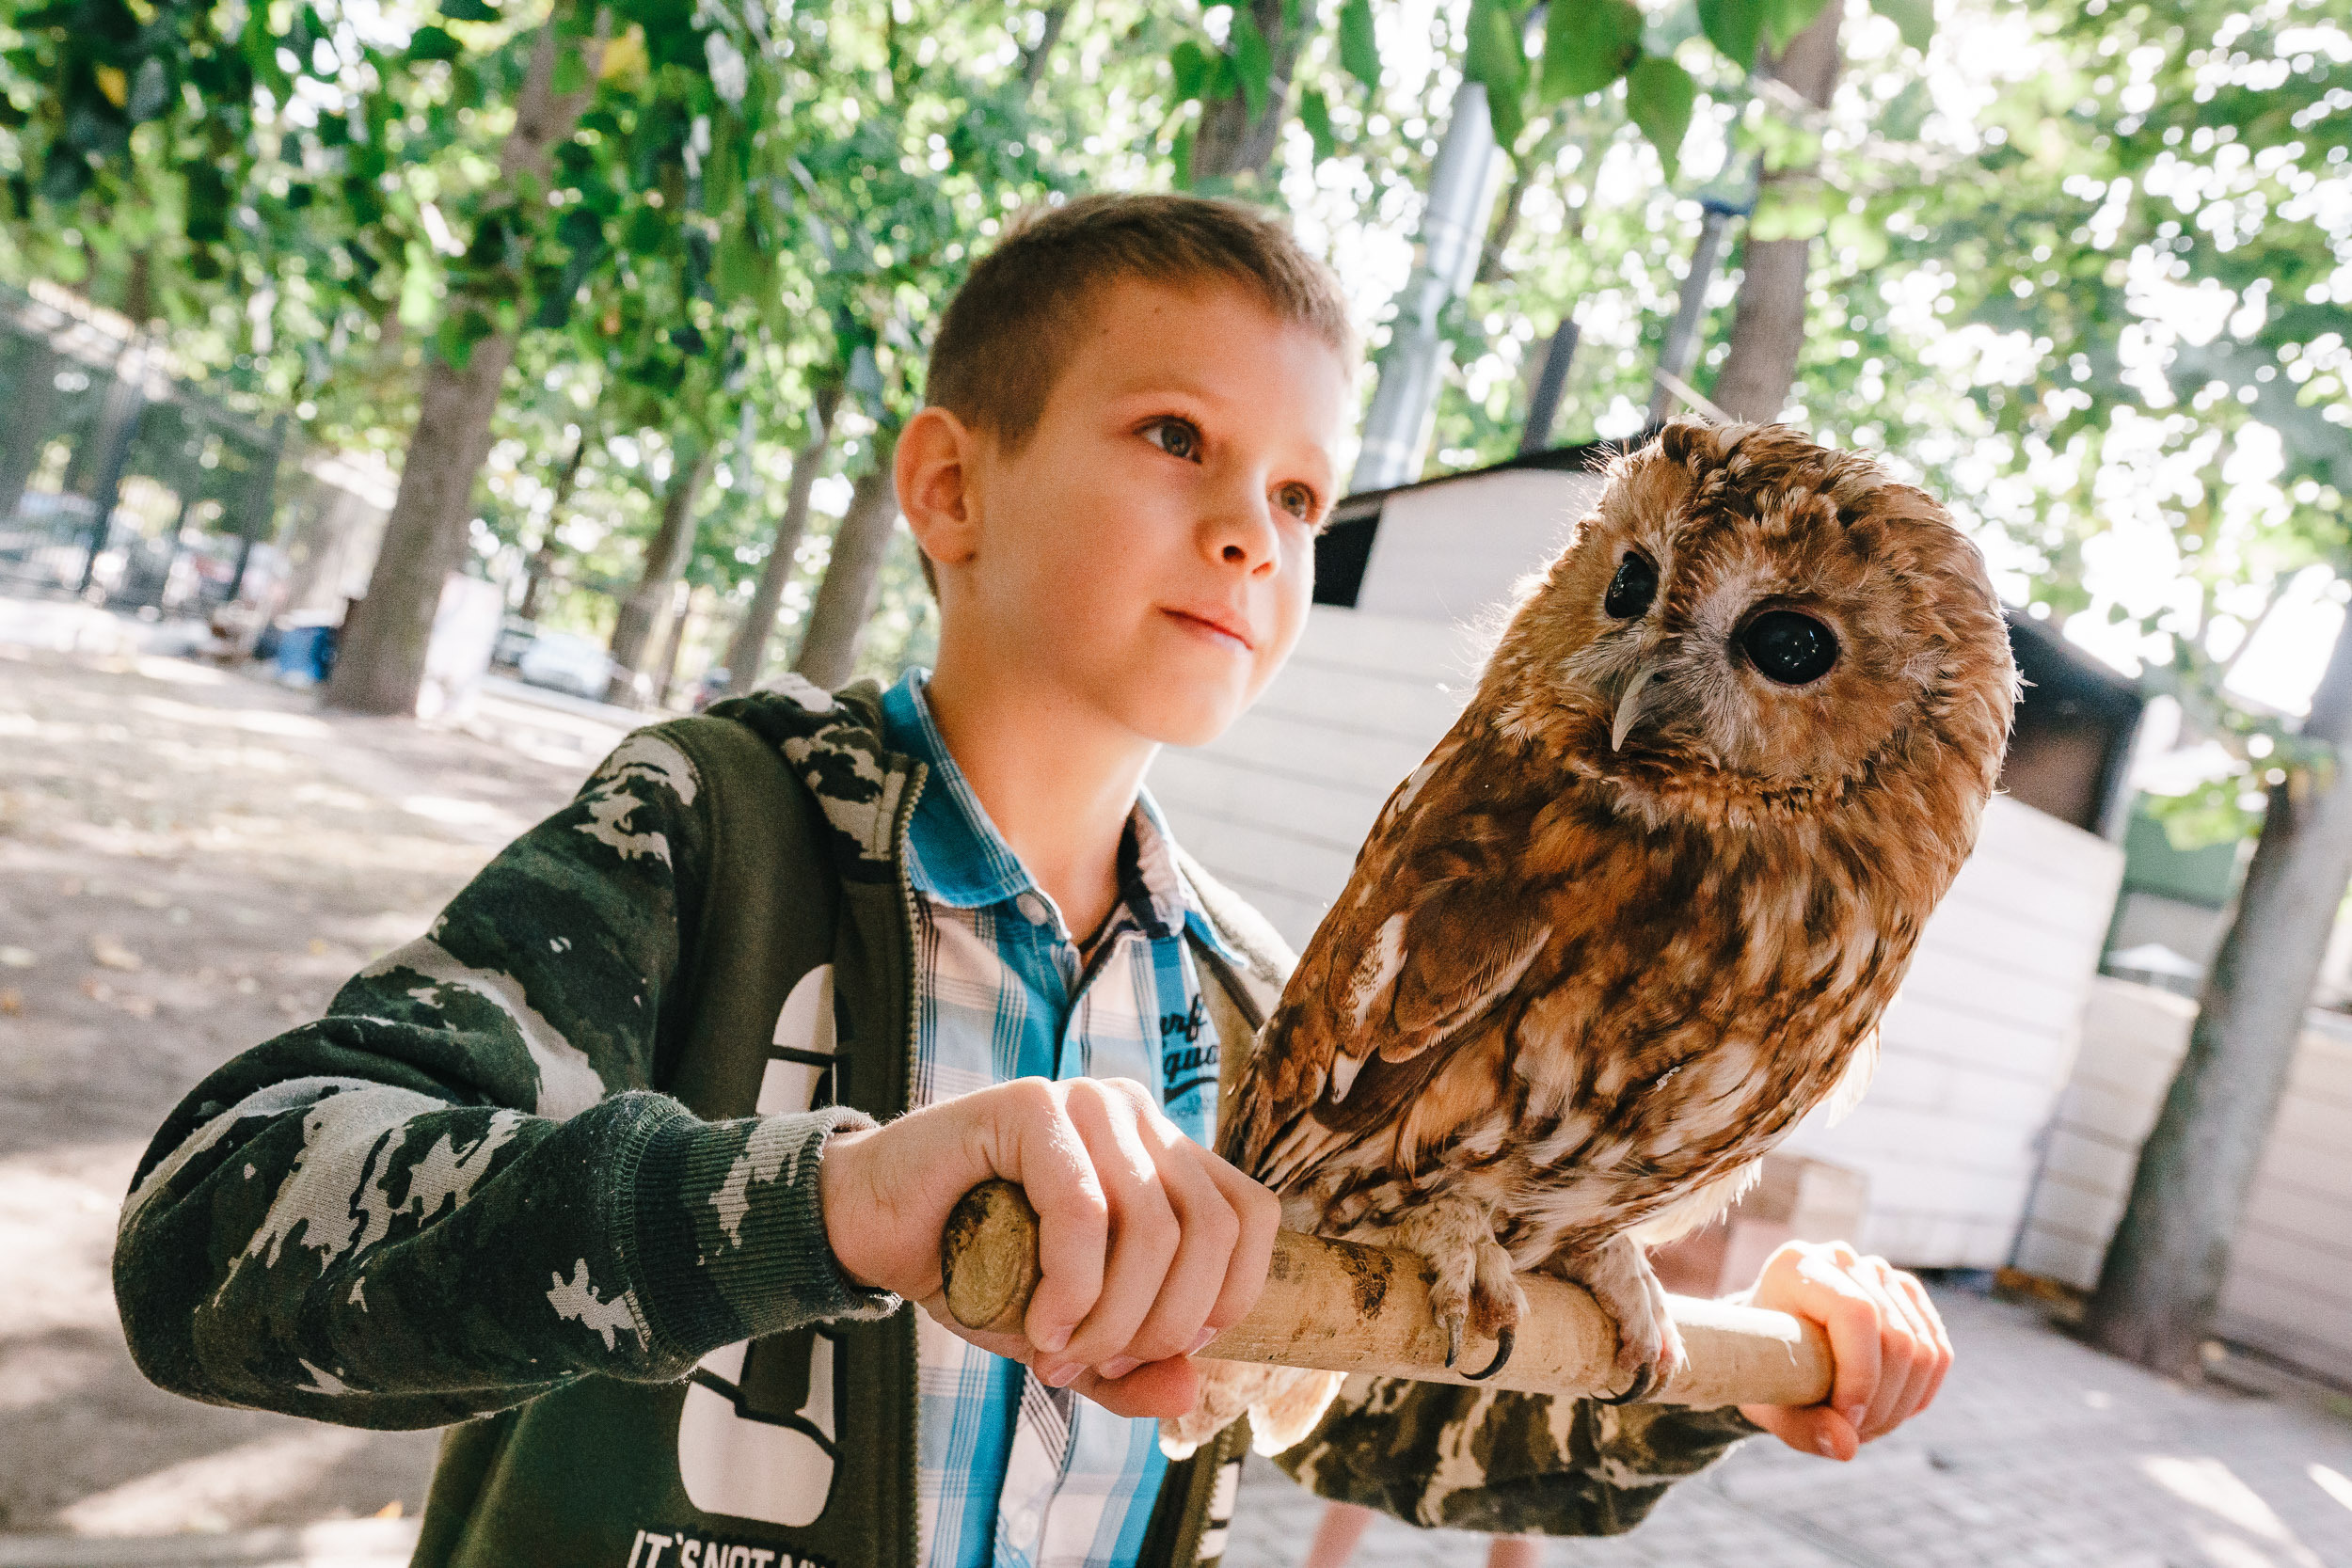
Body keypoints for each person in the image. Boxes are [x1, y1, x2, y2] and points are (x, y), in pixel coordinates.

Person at [112, 194, 1950, 1568]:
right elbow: (217, 1237)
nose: (1247, 531)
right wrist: (827, 1206)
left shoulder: (1245, 998)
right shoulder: (719, 834)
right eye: (1178, 439)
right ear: (948, 487)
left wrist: (1769, 1367)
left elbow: (1382, 1423)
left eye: (1302, 499)